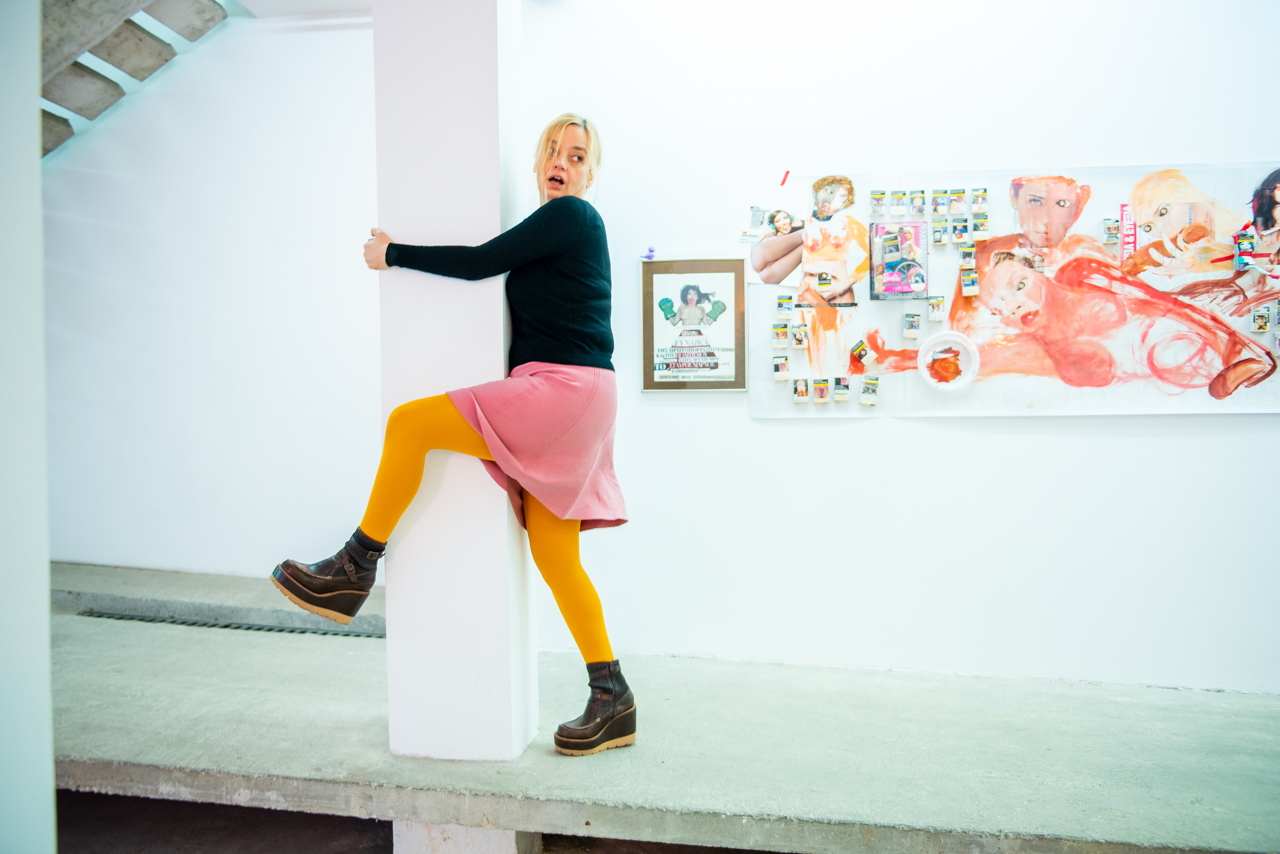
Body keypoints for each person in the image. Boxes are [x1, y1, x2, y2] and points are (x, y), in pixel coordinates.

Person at [271, 114, 635, 758]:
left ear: (590, 173)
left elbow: (478, 264)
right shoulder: (560, 228)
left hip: (566, 388)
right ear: (537, 162)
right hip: (579, 392)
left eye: (577, 155)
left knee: (409, 424)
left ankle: (353, 567)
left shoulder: (572, 215)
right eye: (552, 150)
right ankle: (614, 699)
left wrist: (392, 254)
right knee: (555, 556)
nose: (561, 161)